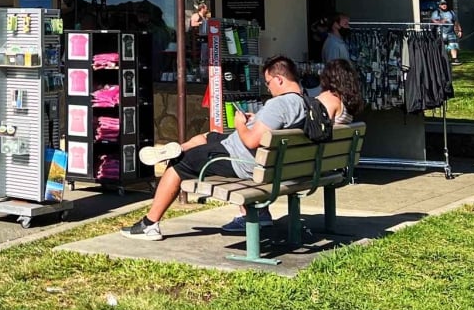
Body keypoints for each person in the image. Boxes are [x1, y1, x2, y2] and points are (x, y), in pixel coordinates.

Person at [124, 57, 310, 241]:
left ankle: (149, 225)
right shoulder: (304, 102)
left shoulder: (279, 104)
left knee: (179, 163)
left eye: (268, 83)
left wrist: (239, 124)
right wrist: (256, 120)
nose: (268, 88)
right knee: (209, 136)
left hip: (242, 160)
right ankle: (178, 148)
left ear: (279, 79)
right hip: (270, 162)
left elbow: (251, 141)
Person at [218, 58, 366, 234]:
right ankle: (260, 213)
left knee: (252, 158)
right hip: (325, 163)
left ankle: (254, 215)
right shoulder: (348, 106)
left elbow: (311, 123)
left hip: (306, 166)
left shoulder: (328, 100)